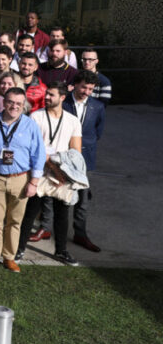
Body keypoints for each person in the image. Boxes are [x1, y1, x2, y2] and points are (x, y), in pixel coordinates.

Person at [0, 87, 46, 272]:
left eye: (18, 103)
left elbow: (38, 154)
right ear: (3, 102)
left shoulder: (30, 125)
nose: (14, 106)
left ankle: (9, 256)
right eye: (10, 102)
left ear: (23, 105)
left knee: (15, 221)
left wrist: (34, 182)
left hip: (20, 179)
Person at [15, 81, 82, 266]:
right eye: (46, 94)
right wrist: (54, 169)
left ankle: (61, 251)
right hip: (40, 171)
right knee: (30, 212)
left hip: (63, 173)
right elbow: (36, 148)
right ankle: (19, 249)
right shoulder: (36, 117)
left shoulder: (72, 120)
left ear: (62, 97)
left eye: (51, 95)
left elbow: (75, 151)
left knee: (62, 214)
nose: (47, 97)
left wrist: (65, 173)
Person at [64, 70, 107, 253]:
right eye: (84, 87)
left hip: (86, 160)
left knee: (83, 200)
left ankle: (80, 233)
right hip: (63, 155)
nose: (87, 92)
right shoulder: (63, 102)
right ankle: (46, 229)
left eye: (90, 89)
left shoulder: (97, 107)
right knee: (57, 196)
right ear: (75, 85)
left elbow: (98, 132)